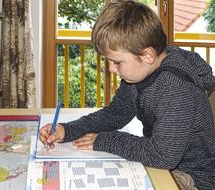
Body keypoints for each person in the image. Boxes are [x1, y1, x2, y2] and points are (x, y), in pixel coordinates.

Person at [39, 0, 215, 189]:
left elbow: (163, 156)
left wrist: (106, 140)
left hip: (192, 176)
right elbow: (116, 114)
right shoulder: (139, 74)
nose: (111, 69)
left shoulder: (177, 90)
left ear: (147, 55)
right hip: (165, 164)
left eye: (117, 62)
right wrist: (69, 129)